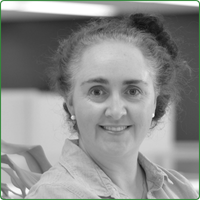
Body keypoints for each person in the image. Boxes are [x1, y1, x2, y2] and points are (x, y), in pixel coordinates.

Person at [25, 13, 198, 199]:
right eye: (97, 92)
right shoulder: (53, 194)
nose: (116, 111)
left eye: (133, 91)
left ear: (155, 101)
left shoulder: (178, 189)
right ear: (71, 103)